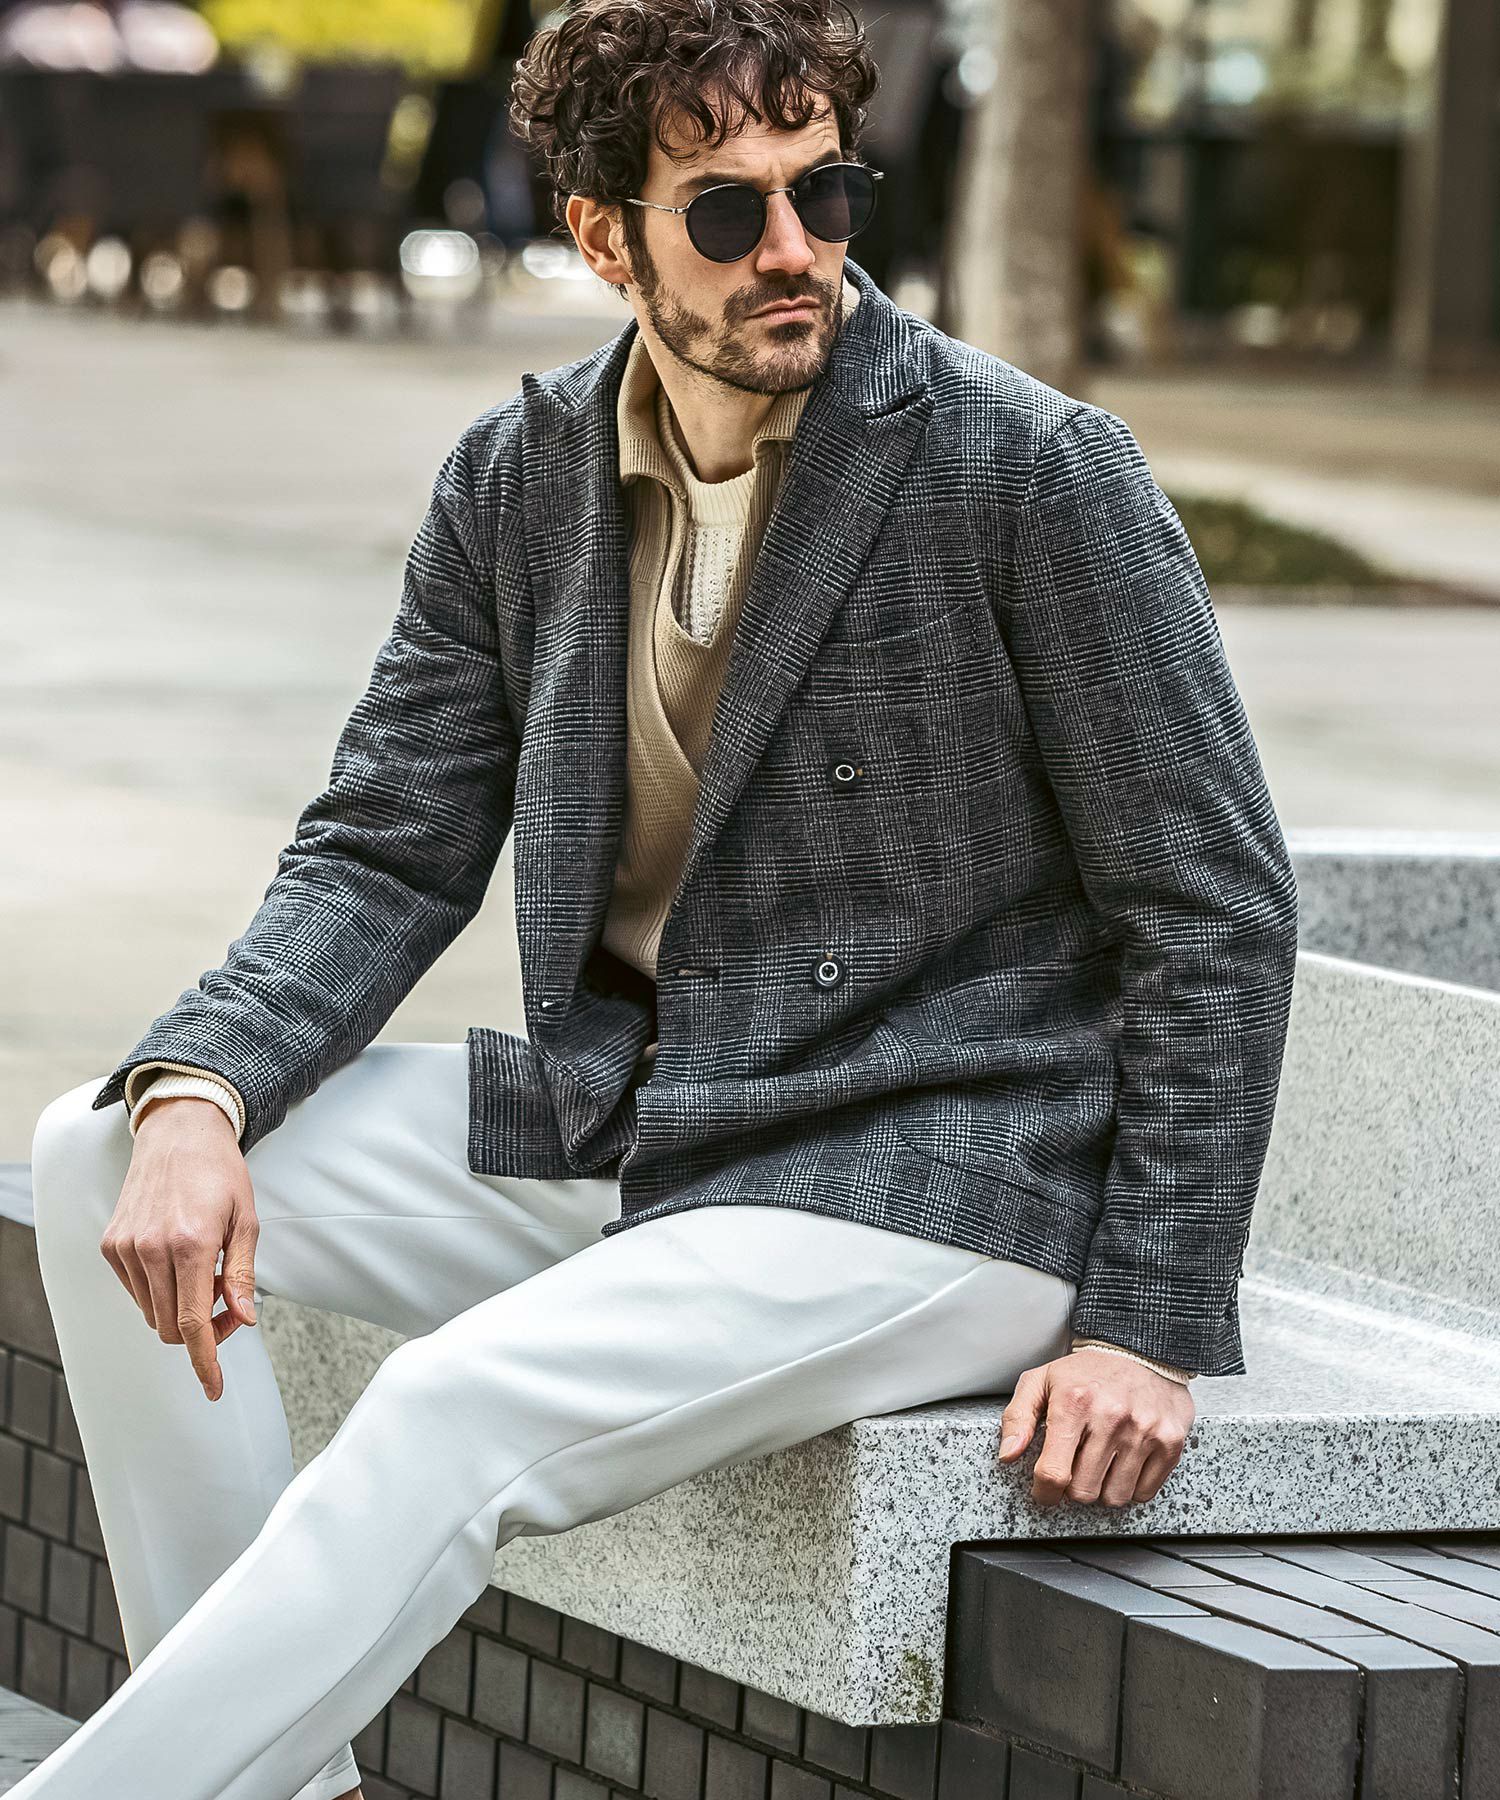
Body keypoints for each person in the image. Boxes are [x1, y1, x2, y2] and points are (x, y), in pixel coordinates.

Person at [17, 0, 1299, 1793]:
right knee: (103, 1155)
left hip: (939, 1170)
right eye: (725, 209)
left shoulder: (1027, 470)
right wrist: (204, 1089)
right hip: (654, 1121)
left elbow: (1214, 909)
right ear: (604, 237)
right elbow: (385, 845)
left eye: (823, 191)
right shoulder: (521, 478)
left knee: (451, 1410)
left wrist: (1148, 1326)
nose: (793, 248)